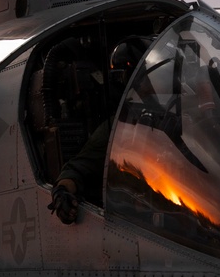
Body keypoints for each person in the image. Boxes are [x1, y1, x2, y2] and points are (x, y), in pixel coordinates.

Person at [48, 36, 152, 224]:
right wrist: (61, 193)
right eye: (146, 77)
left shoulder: (181, 117)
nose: (153, 84)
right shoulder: (118, 128)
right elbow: (76, 169)